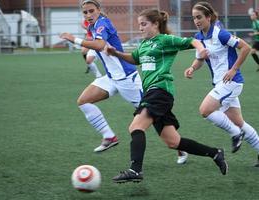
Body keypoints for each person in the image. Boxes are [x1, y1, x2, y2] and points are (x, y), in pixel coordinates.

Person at [106, 8, 228, 183]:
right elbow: (135, 58)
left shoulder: (165, 40)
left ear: (155, 24)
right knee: (173, 142)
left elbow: (192, 41)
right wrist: (116, 53)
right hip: (152, 93)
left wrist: (201, 49)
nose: (140, 28)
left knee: (135, 127)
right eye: (139, 24)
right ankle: (215, 153)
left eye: (143, 24)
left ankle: (135, 170)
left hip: (160, 91)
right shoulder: (143, 45)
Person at [60, 0, 188, 165]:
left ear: (99, 10)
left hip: (128, 80)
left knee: (155, 117)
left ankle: (180, 147)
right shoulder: (93, 25)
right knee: (83, 101)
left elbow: (99, 45)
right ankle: (109, 136)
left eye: (91, 11)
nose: (88, 15)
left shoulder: (102, 24)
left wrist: (74, 39)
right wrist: (86, 30)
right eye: (85, 12)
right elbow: (96, 40)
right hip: (111, 78)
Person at [184, 1, 259, 167]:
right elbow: (200, 59)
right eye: (194, 18)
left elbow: (245, 47)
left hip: (231, 82)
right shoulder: (199, 38)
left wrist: (234, 69)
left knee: (205, 110)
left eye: (199, 17)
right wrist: (192, 68)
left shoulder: (221, 34)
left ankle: (235, 134)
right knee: (239, 122)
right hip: (220, 84)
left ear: (208, 17)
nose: (196, 21)